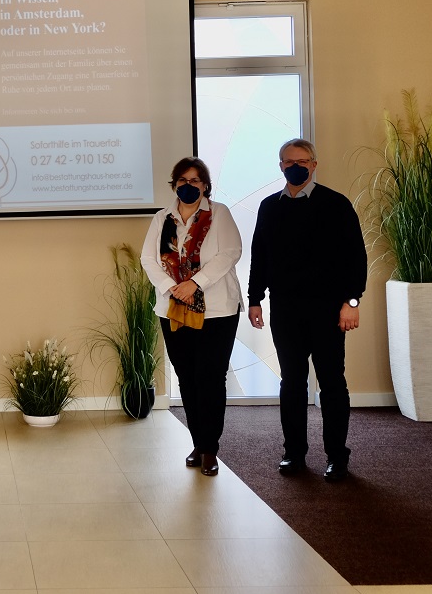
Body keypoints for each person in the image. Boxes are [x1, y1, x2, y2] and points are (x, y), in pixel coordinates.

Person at [248, 138, 366, 482]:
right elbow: (261, 256)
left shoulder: (336, 204)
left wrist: (352, 301)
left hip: (329, 310)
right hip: (285, 308)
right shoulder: (269, 207)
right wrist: (255, 298)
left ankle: (337, 458)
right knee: (293, 382)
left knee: (331, 382)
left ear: (314, 164)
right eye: (288, 161)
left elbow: (355, 258)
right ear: (280, 166)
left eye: (302, 160)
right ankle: (294, 453)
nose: (294, 166)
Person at [140, 157, 243, 477]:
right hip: (173, 308)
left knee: (211, 378)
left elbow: (231, 252)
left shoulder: (219, 214)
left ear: (205, 185)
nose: (188, 186)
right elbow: (148, 258)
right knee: (187, 377)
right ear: (174, 185)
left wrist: (194, 284)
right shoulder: (162, 218)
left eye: (195, 181)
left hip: (217, 310)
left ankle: (211, 449)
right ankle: (198, 442)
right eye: (182, 181)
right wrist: (174, 288)